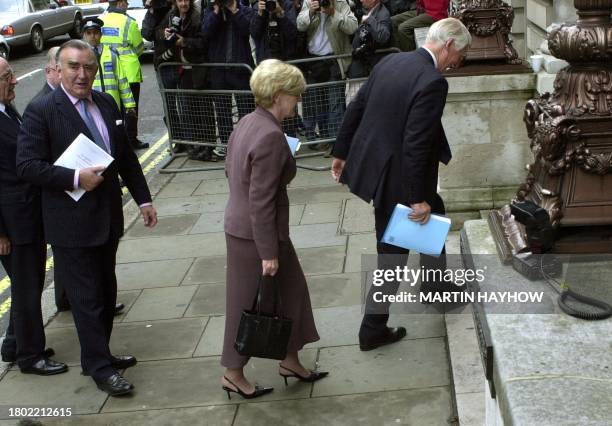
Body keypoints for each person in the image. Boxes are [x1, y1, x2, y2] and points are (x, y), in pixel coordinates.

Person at [16, 40, 158, 396]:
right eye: (75, 67)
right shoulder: (42, 110)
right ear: (59, 70)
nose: (83, 74)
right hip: (70, 224)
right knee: (87, 299)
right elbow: (27, 166)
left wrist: (143, 200)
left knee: (106, 292)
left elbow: (124, 158)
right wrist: (76, 178)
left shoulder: (106, 103)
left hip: (107, 218)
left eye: (89, 67)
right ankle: (99, 368)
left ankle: (100, 354)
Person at [330, 18, 470, 351]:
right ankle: (372, 328)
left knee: (436, 211)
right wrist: (415, 198)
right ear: (448, 45)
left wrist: (341, 151)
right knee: (392, 255)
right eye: (460, 56)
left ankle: (436, 286)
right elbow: (416, 143)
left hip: (379, 167)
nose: (458, 63)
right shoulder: (433, 80)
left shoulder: (392, 60)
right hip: (396, 178)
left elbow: (357, 107)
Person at [222, 59, 326, 399]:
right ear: (279, 95)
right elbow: (261, 199)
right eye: (295, 95)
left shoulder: (248, 123)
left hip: (244, 228)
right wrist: (268, 253)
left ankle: (290, 359)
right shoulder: (270, 136)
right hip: (259, 236)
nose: (297, 101)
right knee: (247, 304)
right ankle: (233, 373)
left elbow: (232, 171)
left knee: (291, 293)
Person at [0, 57, 67, 375]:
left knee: (30, 283)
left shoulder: (6, 109)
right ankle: (30, 356)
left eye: (12, 73)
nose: (14, 81)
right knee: (27, 288)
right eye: (6, 76)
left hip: (26, 214)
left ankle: (16, 344)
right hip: (13, 225)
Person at [143, 0, 213, 161]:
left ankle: (193, 144)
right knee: (172, 108)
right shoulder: (164, 12)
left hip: (187, 68)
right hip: (167, 64)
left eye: (185, 0)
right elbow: (148, 33)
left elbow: (202, 41)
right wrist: (163, 31)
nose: (183, 3)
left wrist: (184, 41)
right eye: (180, 0)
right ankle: (181, 142)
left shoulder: (195, 16)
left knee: (190, 109)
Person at [296, 0, 357, 148]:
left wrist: (333, 13)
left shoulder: (340, 4)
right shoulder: (309, 2)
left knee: (335, 104)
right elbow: (300, 25)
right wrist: (310, 12)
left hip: (334, 60)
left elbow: (352, 27)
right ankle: (323, 139)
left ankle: (336, 143)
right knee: (316, 103)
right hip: (313, 61)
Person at [201, 0, 256, 160]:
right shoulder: (211, 11)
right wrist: (217, 11)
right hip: (219, 70)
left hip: (240, 70)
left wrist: (235, 11)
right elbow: (206, 32)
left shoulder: (244, 10)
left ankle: (246, 144)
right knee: (222, 111)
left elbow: (249, 29)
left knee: (246, 110)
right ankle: (227, 145)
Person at [101, 0, 149, 150]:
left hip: (108, 72)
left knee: (113, 108)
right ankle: (131, 139)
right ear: (120, 3)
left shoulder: (100, 20)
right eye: (126, 2)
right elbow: (140, 47)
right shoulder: (129, 22)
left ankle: (116, 140)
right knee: (131, 108)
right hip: (129, 73)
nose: (127, 5)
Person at [82, 18, 137, 113]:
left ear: (101, 34)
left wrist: (129, 104)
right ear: (84, 36)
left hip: (113, 104)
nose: (93, 36)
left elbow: (122, 80)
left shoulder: (112, 53)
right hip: (92, 105)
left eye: (95, 33)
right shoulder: (81, 55)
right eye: (89, 33)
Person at [347, 0, 391, 78]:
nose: (361, 0)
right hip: (359, 58)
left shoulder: (383, 14)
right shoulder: (369, 9)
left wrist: (370, 19)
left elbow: (383, 37)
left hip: (370, 63)